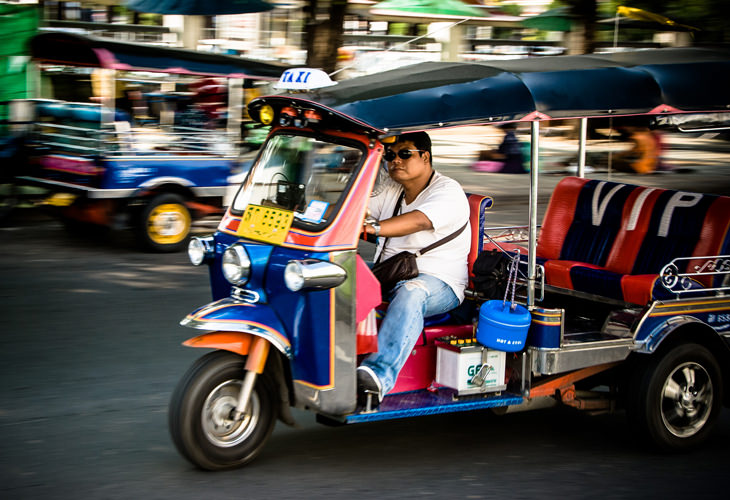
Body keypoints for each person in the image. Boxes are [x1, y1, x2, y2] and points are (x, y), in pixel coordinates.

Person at [359, 132, 471, 405]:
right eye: (390, 155)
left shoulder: (448, 191)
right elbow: (359, 208)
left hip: (439, 283)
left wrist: (373, 228)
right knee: (340, 271)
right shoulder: (392, 190)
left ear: (425, 156)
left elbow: (420, 220)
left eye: (405, 153)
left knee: (412, 291)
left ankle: (378, 375)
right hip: (391, 273)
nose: (396, 160)